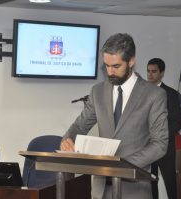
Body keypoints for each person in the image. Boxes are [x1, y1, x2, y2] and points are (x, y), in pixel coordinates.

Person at [60, 33, 168, 199]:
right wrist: (68, 139)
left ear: (131, 61)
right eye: (106, 66)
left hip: (134, 190)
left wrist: (121, 165)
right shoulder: (98, 91)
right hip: (100, 190)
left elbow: (159, 144)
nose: (110, 72)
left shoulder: (154, 95)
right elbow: (79, 126)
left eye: (116, 66)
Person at [147, 58, 181, 199]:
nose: (150, 75)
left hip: (165, 146)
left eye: (154, 71)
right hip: (147, 147)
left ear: (162, 73)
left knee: (171, 183)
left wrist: (160, 136)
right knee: (150, 182)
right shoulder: (143, 94)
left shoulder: (171, 94)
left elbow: (177, 122)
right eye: (148, 71)